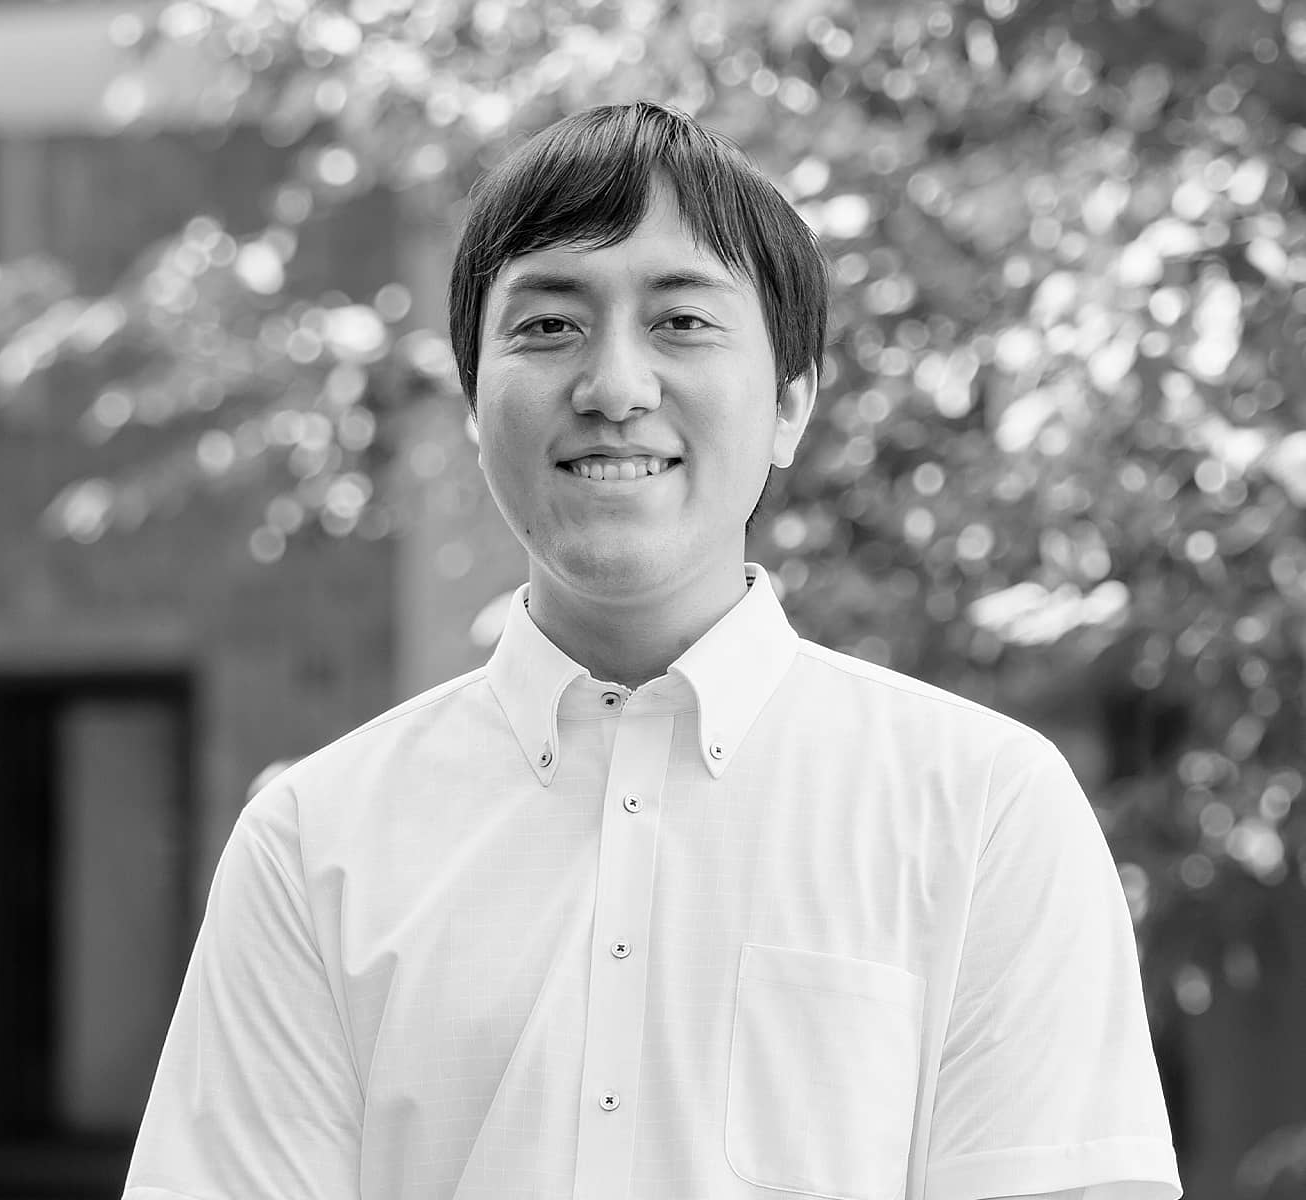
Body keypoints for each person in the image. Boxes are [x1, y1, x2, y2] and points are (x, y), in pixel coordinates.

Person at [124, 101, 1182, 1200]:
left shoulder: (983, 807)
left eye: (681, 321)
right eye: (549, 326)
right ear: (475, 405)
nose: (615, 389)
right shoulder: (317, 842)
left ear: (790, 403)